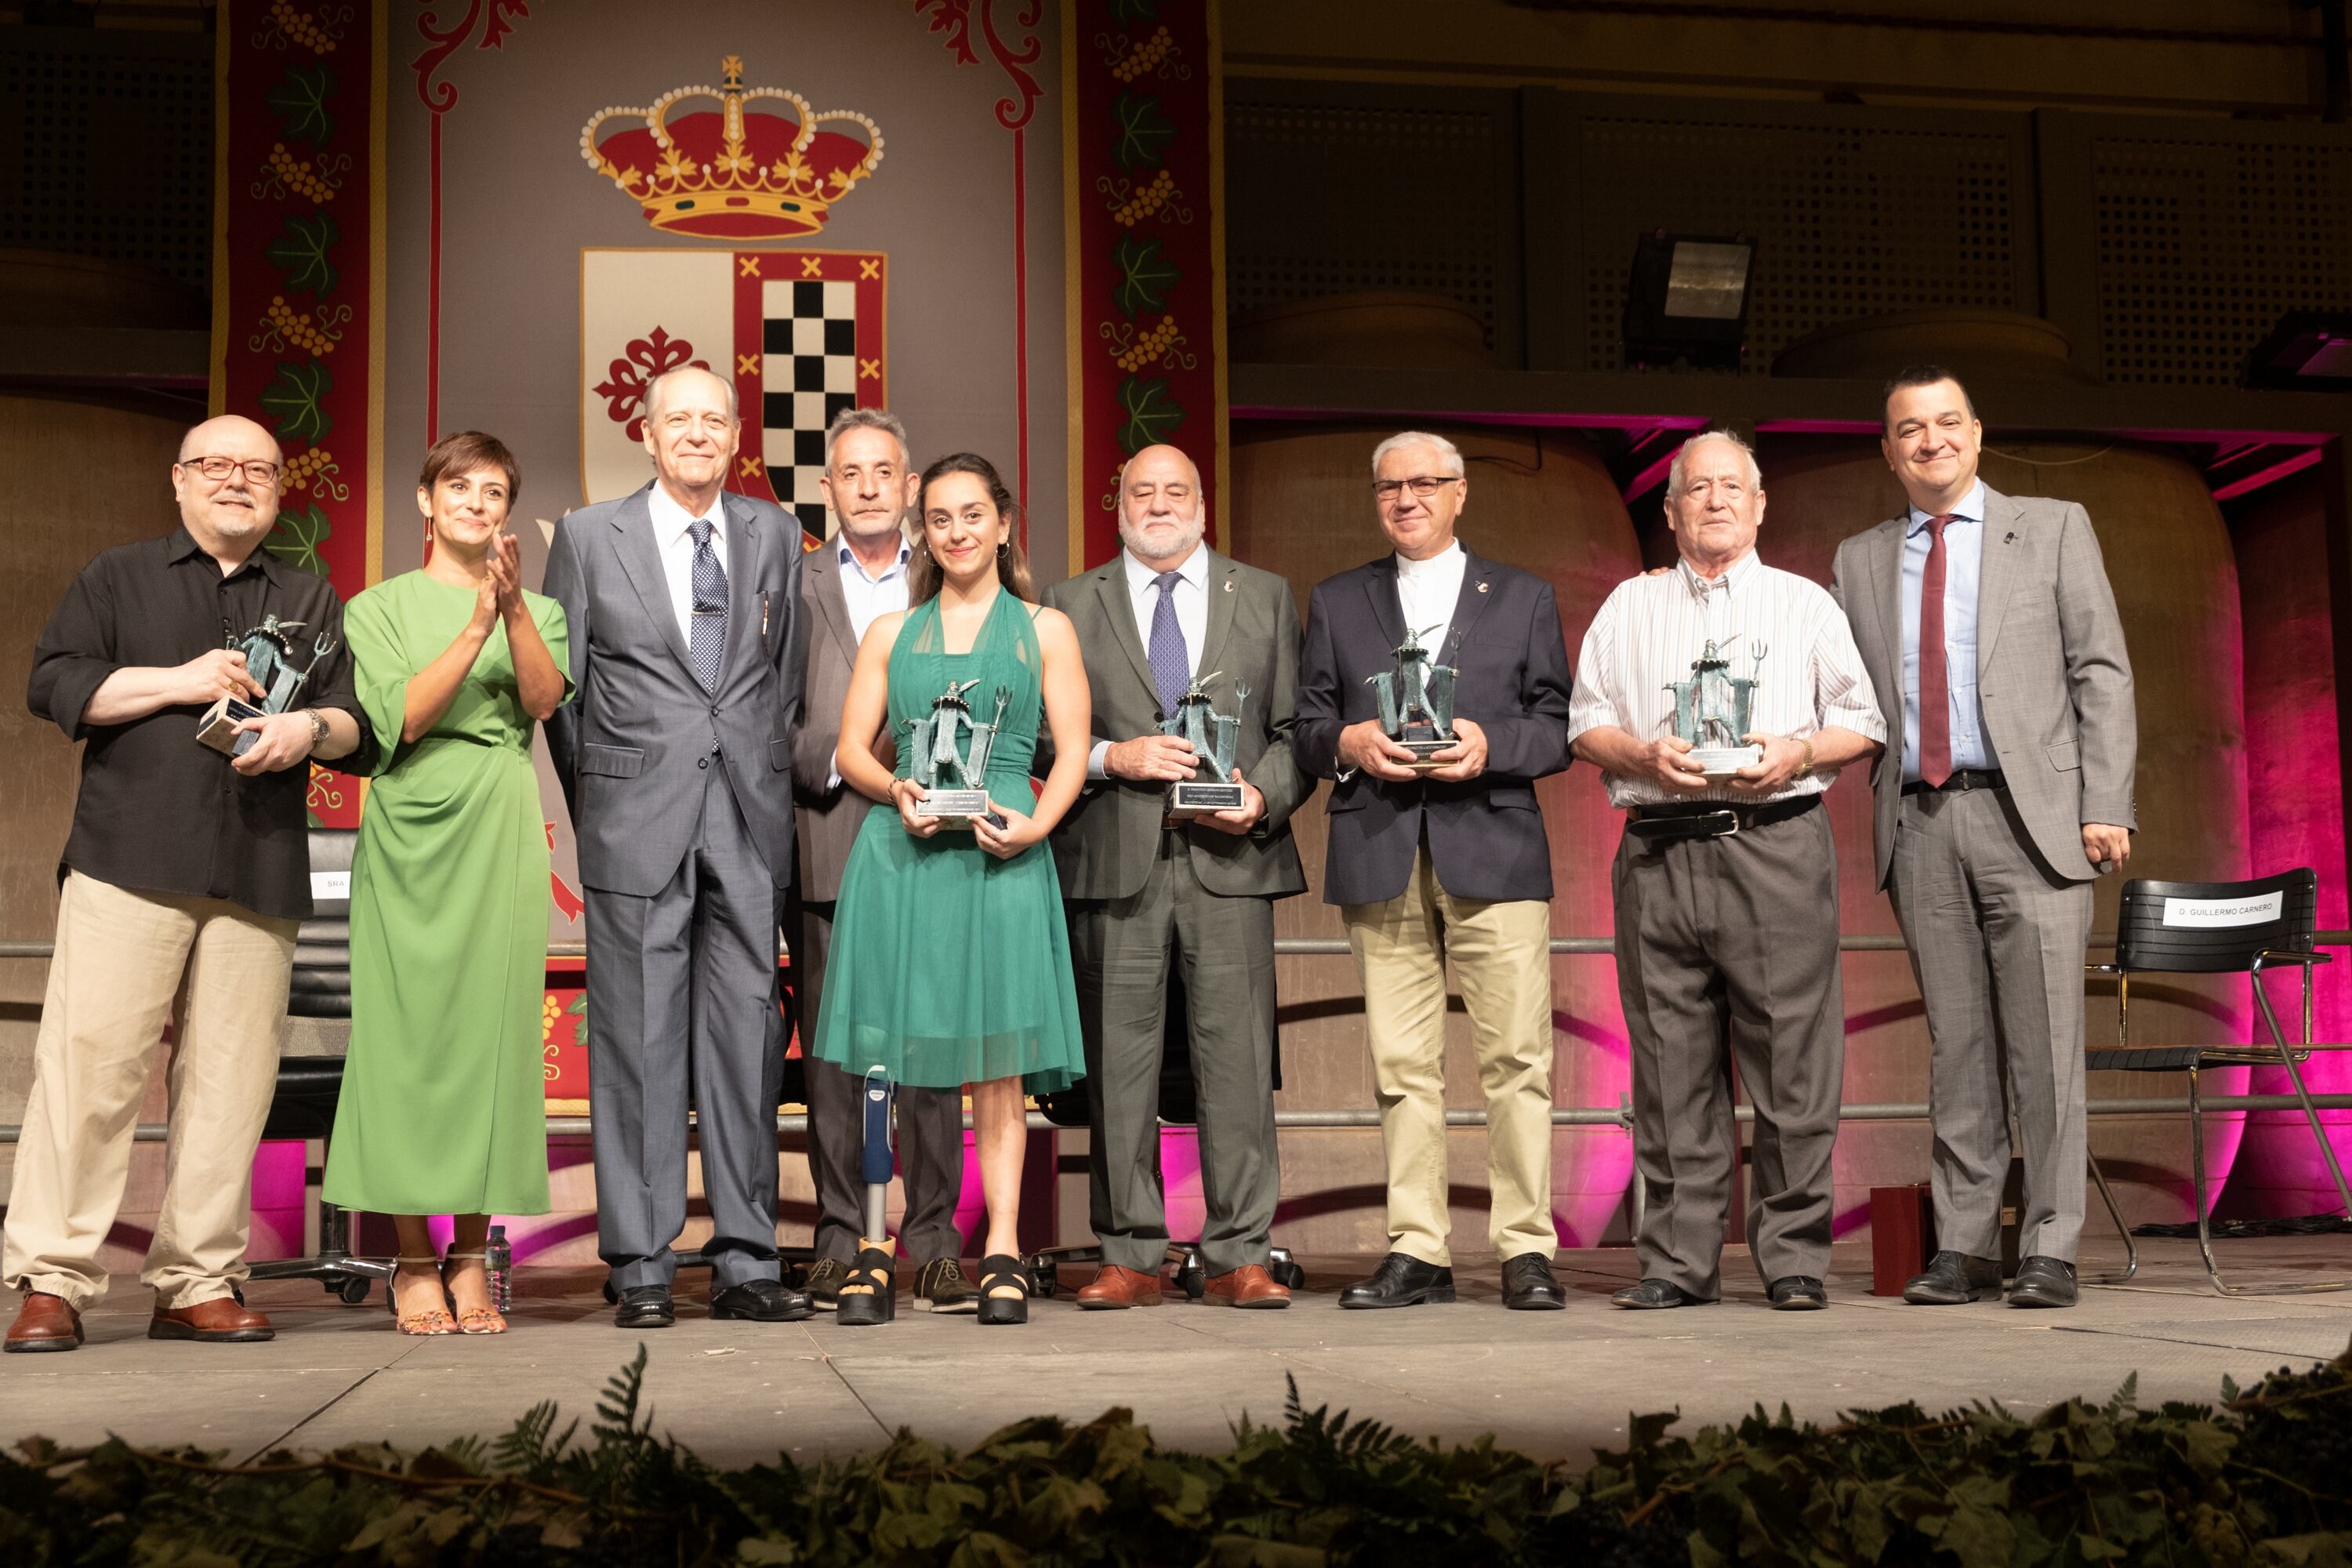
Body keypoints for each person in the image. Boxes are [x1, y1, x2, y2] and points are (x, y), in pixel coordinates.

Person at [4, 415, 369, 1353]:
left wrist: (306, 733)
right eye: (216, 464)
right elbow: (57, 688)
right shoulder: (118, 575)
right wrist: (176, 679)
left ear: (282, 490)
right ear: (179, 480)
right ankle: (54, 1277)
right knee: (90, 1073)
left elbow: (354, 721)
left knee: (231, 1085)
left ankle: (198, 1277)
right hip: (131, 859)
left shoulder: (308, 592)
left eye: (258, 469)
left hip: (257, 867)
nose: (236, 480)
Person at [1831, 367, 2136, 1312]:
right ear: (1888, 449)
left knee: (2044, 1044)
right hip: (1920, 820)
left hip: (2032, 816)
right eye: (1909, 428)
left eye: (1947, 422)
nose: (1931, 440)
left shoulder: (2051, 525)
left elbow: (2100, 670)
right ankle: (1963, 1244)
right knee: (1957, 1045)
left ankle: (2049, 1242)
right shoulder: (1858, 557)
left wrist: (2106, 798)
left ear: (1976, 432)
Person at [1568, 430, 1886, 1312]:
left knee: (1793, 1064)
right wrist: (1636, 749)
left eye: (1731, 487)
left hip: (1775, 840)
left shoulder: (1806, 605)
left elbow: (1860, 719)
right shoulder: (1627, 606)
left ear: (1758, 504)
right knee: (1671, 1069)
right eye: (1695, 488)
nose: (1714, 500)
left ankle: (1791, 1259)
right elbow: (1583, 721)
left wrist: (1795, 750)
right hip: (1660, 848)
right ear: (1668, 511)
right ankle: (1676, 1261)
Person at [543, 365, 810, 1329]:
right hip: (633, 816)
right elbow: (562, 695)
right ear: (647, 436)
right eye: (678, 420)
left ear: (736, 436)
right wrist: (606, 798)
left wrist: (753, 770)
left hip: (747, 812)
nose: (697, 434)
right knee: (638, 1042)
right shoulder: (584, 535)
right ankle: (643, 1258)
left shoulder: (774, 532)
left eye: (713, 420)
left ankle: (745, 1253)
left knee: (746, 1039)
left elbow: (782, 685)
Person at [1294, 430, 1577, 1312]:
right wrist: (1346, 739)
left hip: (1493, 841)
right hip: (1379, 846)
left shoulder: (1524, 596)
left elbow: (1557, 724)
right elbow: (1305, 726)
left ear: (1460, 494)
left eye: (1424, 484)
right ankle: (1418, 1247)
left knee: (1518, 1059)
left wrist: (1493, 746)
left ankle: (1526, 1247)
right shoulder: (1338, 601)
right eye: (1389, 487)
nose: (1406, 498)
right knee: (1400, 1065)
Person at [807, 453, 1089, 1327]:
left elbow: (1074, 750)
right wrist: (893, 788)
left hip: (1003, 860)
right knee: (888, 1065)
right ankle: (874, 1243)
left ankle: (999, 1245)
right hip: (905, 861)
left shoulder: (1044, 629)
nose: (958, 531)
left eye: (973, 514)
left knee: (997, 1070)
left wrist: (1039, 825)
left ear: (1004, 523)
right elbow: (855, 747)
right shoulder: (894, 632)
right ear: (922, 529)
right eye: (940, 517)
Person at [1044, 444, 1308, 1312]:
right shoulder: (1069, 603)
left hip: (1230, 859)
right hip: (1114, 859)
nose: (1159, 504)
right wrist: (1110, 755)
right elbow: (1044, 741)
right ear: (1116, 502)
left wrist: (1259, 795)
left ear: (1204, 502)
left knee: (1236, 1060)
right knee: (1119, 1067)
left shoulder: (1263, 593)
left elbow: (1294, 728)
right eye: (1141, 490)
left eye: (1176, 490)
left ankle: (1240, 1251)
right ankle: (1129, 1253)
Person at [322, 432, 569, 1335]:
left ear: (508, 509)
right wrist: (473, 622)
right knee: (402, 1039)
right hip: (408, 820)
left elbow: (542, 702)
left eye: (494, 489)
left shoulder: (539, 607)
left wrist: (507, 613)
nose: (476, 501)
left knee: (488, 1037)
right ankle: (411, 1258)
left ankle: (473, 1250)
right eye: (458, 486)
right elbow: (406, 718)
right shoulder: (376, 608)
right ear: (426, 502)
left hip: (499, 817)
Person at [787, 408, 976, 1315]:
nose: (867, 486)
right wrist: (849, 754)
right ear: (827, 489)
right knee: (834, 1051)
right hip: (827, 836)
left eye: (884, 472)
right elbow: (762, 716)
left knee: (931, 1053)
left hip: (934, 838)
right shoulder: (792, 584)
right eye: (848, 472)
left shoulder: (954, 576)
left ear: (911, 487)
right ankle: (836, 1233)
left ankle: (934, 1239)